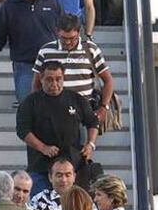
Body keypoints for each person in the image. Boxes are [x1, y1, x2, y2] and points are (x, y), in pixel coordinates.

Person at [16, 60, 99, 196]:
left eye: (58, 79)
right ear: (41, 79)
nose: (54, 84)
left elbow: (92, 122)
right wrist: (42, 147)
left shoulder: (76, 99)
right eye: (49, 79)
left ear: (63, 78)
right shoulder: (30, 102)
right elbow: (23, 130)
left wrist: (90, 144)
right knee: (41, 208)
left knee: (75, 208)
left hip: (72, 167)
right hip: (41, 166)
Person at [32, 14, 114, 125]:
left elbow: (108, 80)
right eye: (63, 38)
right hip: (53, 111)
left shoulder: (91, 50)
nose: (67, 42)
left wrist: (104, 107)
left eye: (72, 38)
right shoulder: (46, 51)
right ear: (57, 32)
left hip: (83, 111)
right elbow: (36, 84)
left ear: (79, 32)